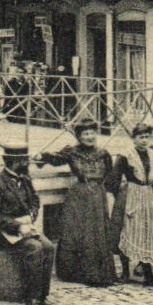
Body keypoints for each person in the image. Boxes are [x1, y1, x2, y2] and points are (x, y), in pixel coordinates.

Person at [37, 119, 114, 286]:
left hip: (98, 196)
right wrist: (41, 156)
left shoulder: (103, 153)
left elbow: (109, 172)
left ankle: (97, 273)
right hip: (79, 195)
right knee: (77, 231)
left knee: (96, 232)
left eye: (92, 133)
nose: (90, 136)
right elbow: (56, 158)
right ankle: (74, 272)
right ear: (78, 136)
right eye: (85, 134)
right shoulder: (71, 152)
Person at [0, 137, 56, 305]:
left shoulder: (25, 179)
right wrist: (17, 226)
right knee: (35, 248)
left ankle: (42, 295)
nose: (26, 163)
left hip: (25, 229)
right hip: (3, 234)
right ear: (13, 161)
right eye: (23, 160)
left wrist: (32, 215)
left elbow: (35, 200)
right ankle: (31, 296)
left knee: (48, 247)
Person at [111, 122, 153, 286]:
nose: (144, 140)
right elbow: (114, 178)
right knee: (129, 230)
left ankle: (149, 273)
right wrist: (119, 197)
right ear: (134, 138)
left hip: (148, 194)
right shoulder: (126, 155)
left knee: (149, 231)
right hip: (131, 194)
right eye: (140, 137)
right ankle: (126, 272)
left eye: (146, 137)